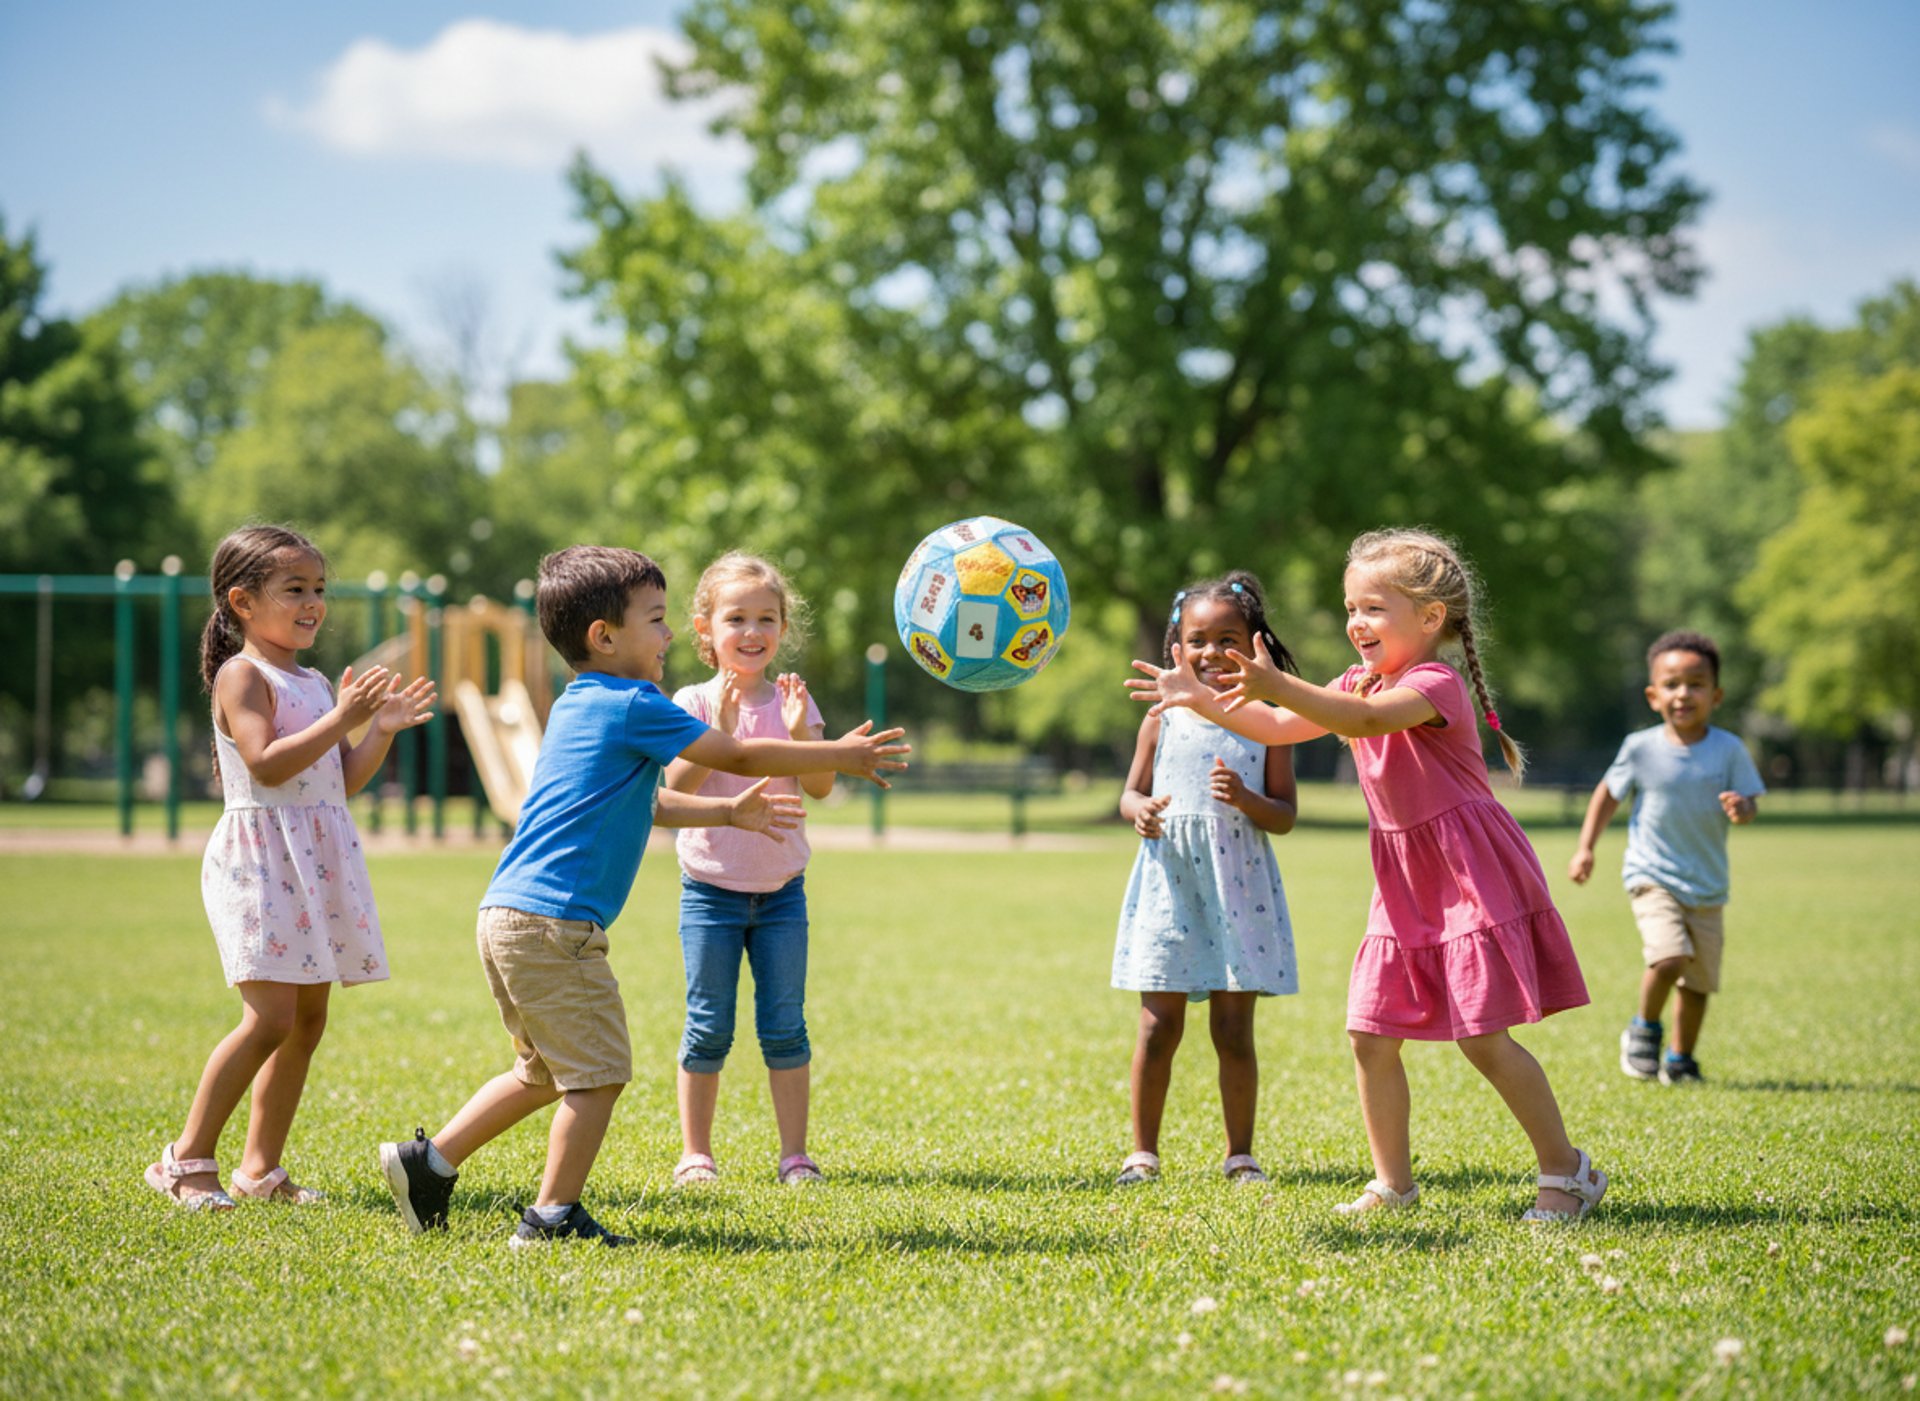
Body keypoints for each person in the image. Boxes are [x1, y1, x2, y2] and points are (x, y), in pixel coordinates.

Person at [378, 545, 908, 1246]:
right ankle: (551, 1217)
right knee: (598, 1075)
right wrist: (838, 753)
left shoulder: (578, 703)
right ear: (604, 636)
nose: (668, 634)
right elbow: (737, 753)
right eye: (656, 620)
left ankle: (427, 1162)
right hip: (555, 924)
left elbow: (649, 803)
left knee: (542, 1072)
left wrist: (727, 812)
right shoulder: (635, 704)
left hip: (507, 914)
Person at [1128, 528, 1606, 1223]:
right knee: (1371, 1033)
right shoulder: (1355, 680)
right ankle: (1393, 1184)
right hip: (1403, 882)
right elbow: (1278, 727)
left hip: (1466, 873)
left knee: (1482, 1035)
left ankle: (1567, 1170)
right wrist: (1198, 697)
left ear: (1431, 617)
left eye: (1373, 608)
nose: (1356, 622)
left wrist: (1276, 682)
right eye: (1351, 607)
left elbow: (1360, 721)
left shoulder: (1433, 684)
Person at [146, 524, 436, 1210]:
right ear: (242, 601)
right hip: (261, 862)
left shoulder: (312, 680)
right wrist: (343, 716)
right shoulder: (242, 675)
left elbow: (340, 781)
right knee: (268, 1019)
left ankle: (260, 1170)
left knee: (307, 1019)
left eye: (319, 589)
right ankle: (185, 1161)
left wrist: (377, 729)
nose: (313, 603)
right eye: (295, 589)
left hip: (314, 862)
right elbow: (267, 765)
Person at [1111, 573, 1300, 1189]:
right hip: (1171, 887)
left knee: (1233, 1030)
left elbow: (1285, 815)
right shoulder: (1162, 718)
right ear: (1177, 648)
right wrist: (1138, 810)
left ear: (1254, 645)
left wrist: (1247, 798)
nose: (1212, 652)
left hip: (1237, 891)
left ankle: (1240, 1155)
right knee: (1157, 1025)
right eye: (1198, 640)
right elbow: (1131, 791)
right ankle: (1142, 1154)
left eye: (1228, 639)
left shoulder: (1270, 722)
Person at [662, 553, 833, 1188]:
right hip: (710, 894)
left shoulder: (794, 700)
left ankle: (795, 1156)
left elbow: (820, 786)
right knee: (708, 1026)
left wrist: (799, 735)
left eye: (766, 618)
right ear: (706, 629)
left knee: (785, 1026)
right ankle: (695, 1154)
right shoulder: (692, 701)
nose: (752, 631)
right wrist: (722, 733)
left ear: (783, 627)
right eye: (736, 618)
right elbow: (674, 789)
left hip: (784, 895)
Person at [1569, 629, 1763, 1085]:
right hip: (1651, 874)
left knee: (1698, 983)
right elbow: (1608, 794)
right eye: (1672, 684)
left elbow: (1751, 802)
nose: (1683, 694)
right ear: (1653, 696)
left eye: (1696, 684)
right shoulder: (1641, 748)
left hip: (1708, 884)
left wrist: (1743, 808)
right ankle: (1644, 1029)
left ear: (1716, 695)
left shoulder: (1729, 749)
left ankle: (1681, 1059)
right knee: (1669, 958)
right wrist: (1586, 847)